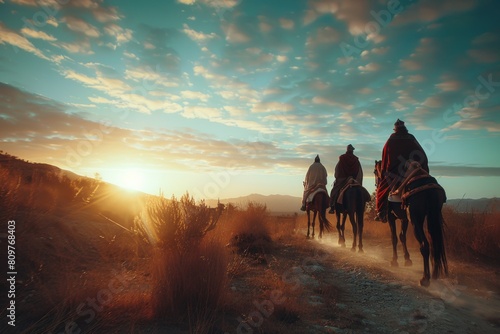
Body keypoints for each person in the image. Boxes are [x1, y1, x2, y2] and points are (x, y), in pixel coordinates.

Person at [375, 119, 429, 222]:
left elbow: (386, 157)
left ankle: (381, 211)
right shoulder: (411, 137)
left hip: (397, 171)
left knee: (382, 189)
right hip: (415, 168)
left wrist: (384, 172)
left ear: (395, 129)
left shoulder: (392, 139)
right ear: (405, 128)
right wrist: (422, 166)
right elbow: (422, 153)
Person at [329, 144, 363, 214]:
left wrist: (337, 177)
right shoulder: (356, 159)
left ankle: (332, 206)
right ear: (352, 150)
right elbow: (360, 172)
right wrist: (359, 182)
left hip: (343, 180)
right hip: (354, 179)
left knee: (334, 191)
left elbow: (337, 170)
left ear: (347, 150)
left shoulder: (342, 158)